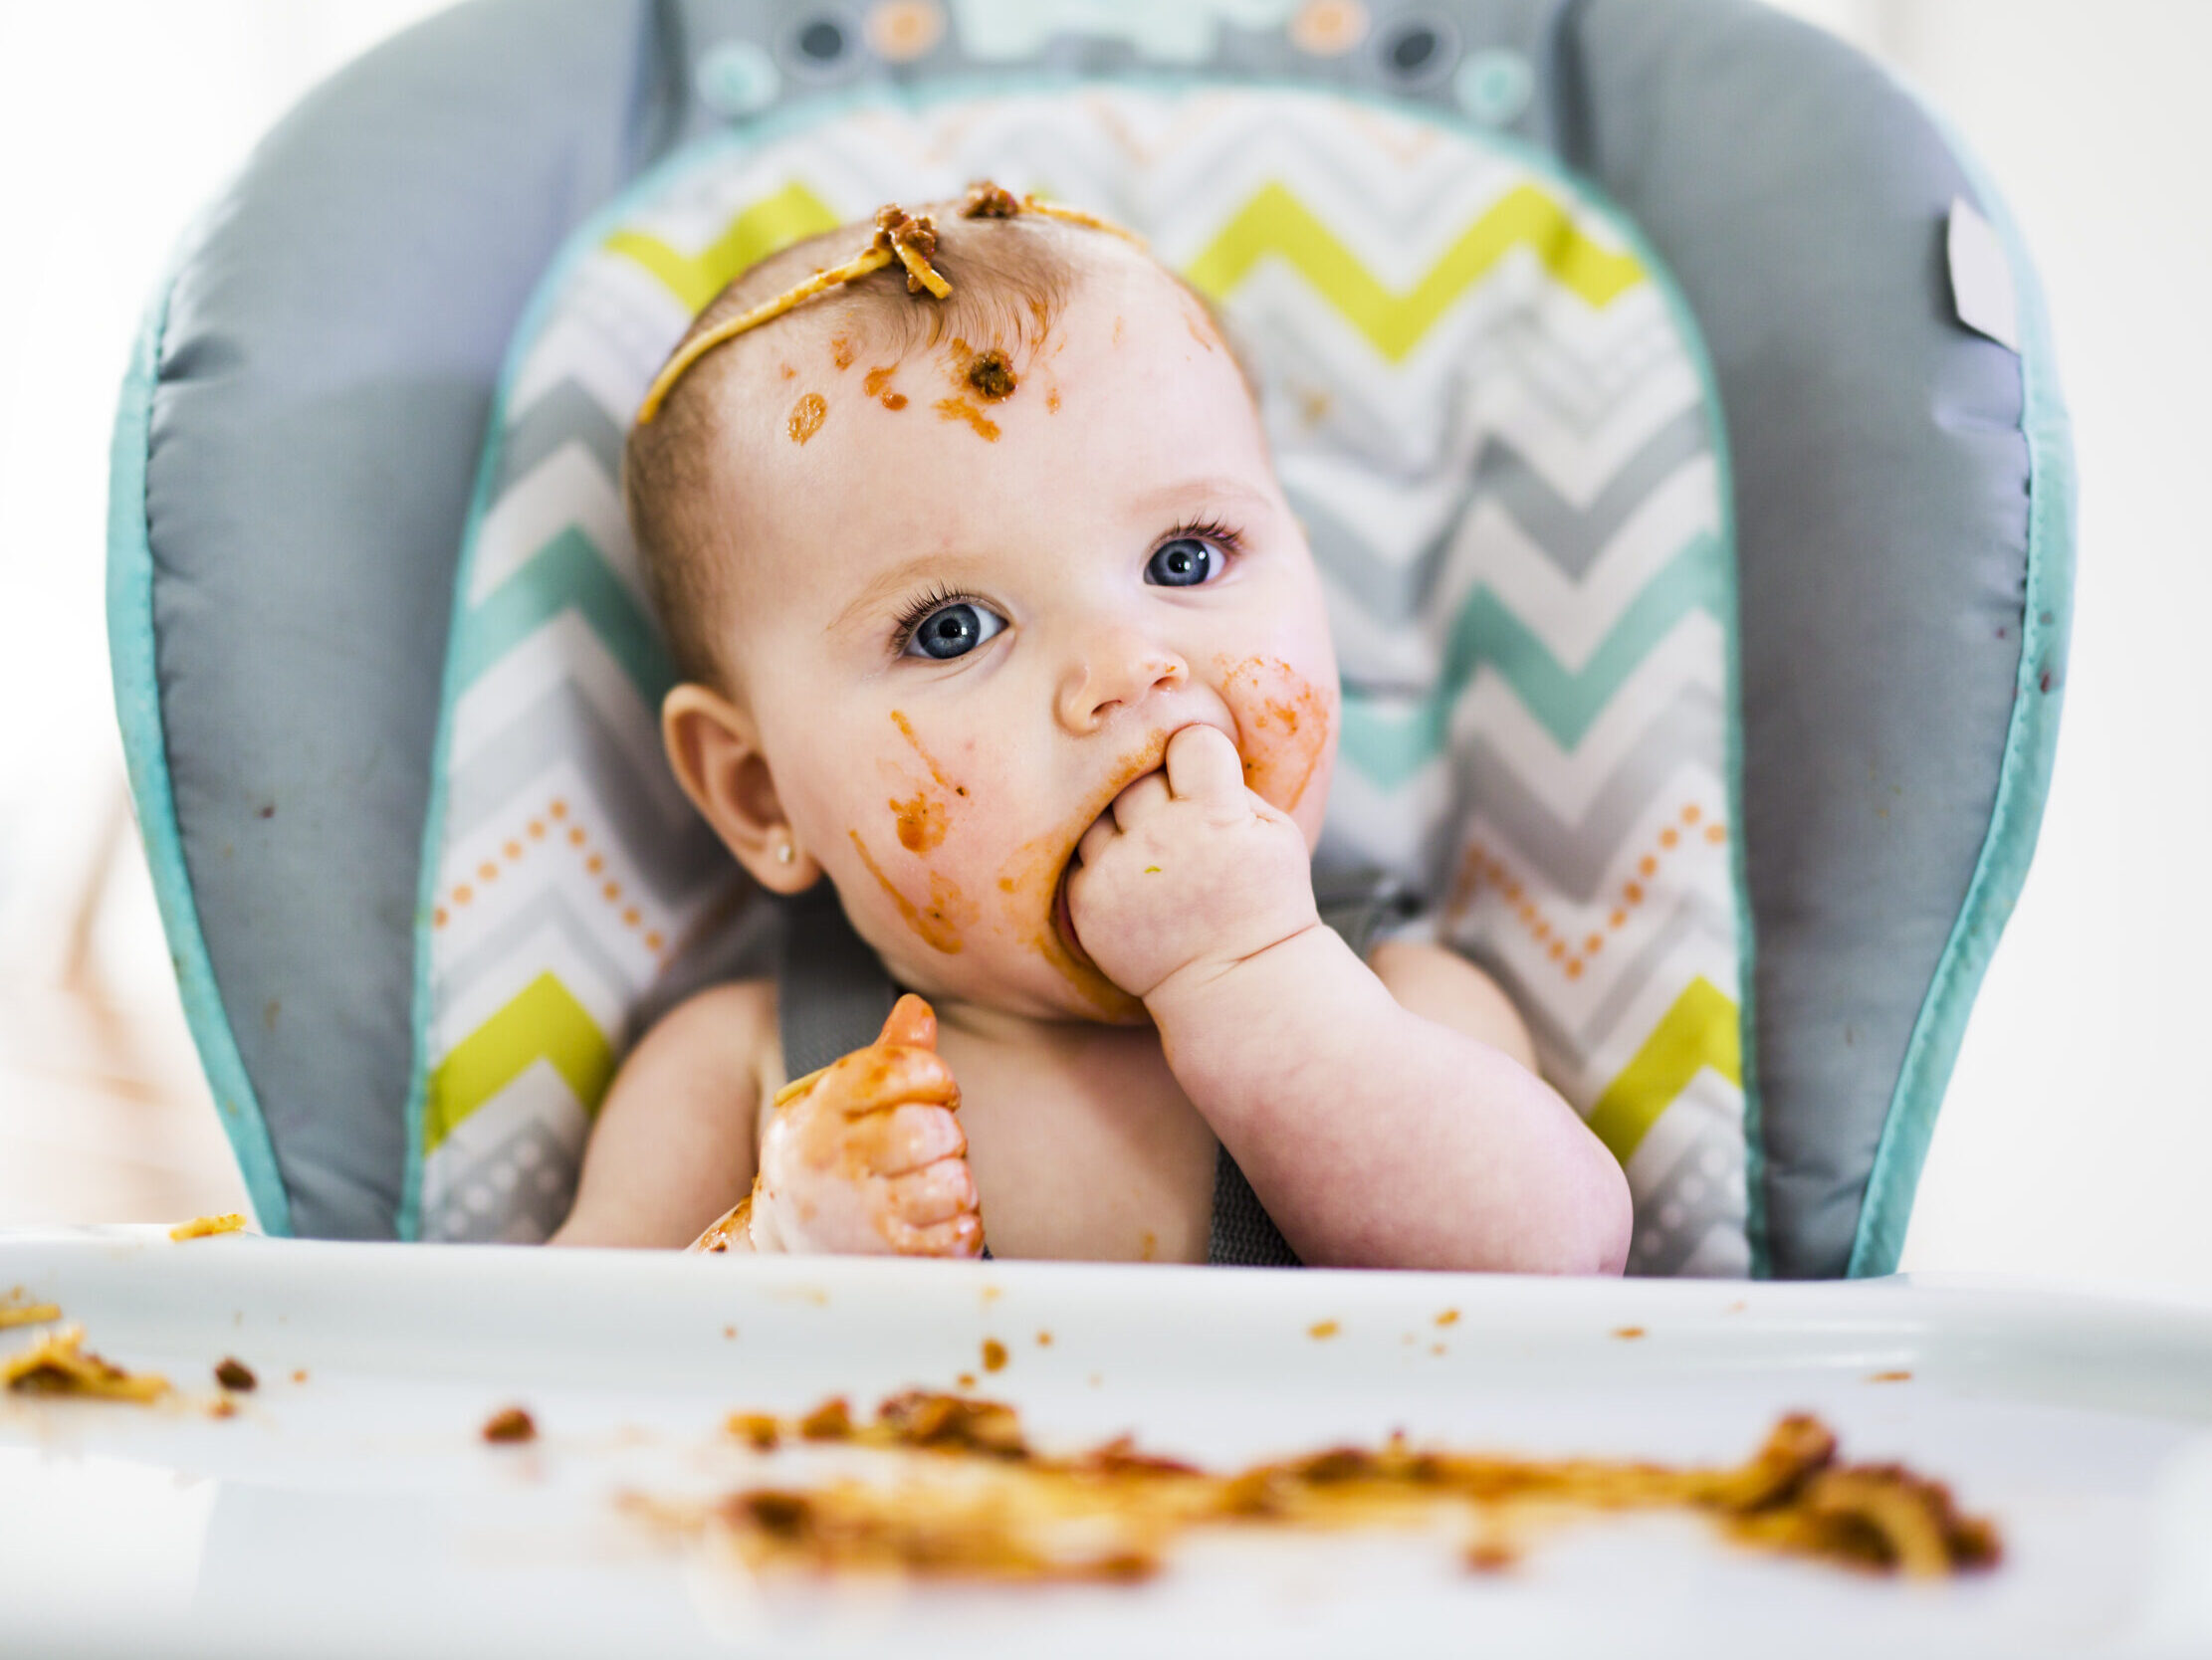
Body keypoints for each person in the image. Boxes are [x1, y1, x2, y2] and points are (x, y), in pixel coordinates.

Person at [549, 188, 1630, 1272]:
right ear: (758, 793)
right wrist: (774, 1254)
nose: (1127, 671)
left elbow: (1560, 1267)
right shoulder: (740, 1070)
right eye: (952, 629)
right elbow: (542, 1370)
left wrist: (1251, 973)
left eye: (1185, 559)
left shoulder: (1398, 1007)